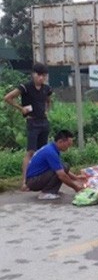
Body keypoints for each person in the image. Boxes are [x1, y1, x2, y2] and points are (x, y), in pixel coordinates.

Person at [4, 62, 53, 190]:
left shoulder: (46, 88)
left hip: (44, 122)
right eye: (39, 75)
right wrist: (21, 109)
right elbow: (8, 97)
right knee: (31, 151)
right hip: (32, 122)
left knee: (42, 152)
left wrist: (47, 111)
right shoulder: (25, 87)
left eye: (43, 75)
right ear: (33, 74)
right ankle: (25, 181)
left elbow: (48, 100)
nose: (41, 78)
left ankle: (41, 180)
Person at [25, 130, 86, 199]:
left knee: (64, 166)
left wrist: (76, 178)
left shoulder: (52, 148)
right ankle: (47, 192)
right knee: (61, 171)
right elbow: (62, 175)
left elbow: (61, 167)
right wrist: (76, 187)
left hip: (35, 179)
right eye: (68, 145)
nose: (69, 147)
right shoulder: (50, 152)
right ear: (60, 141)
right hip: (33, 181)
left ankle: (51, 191)